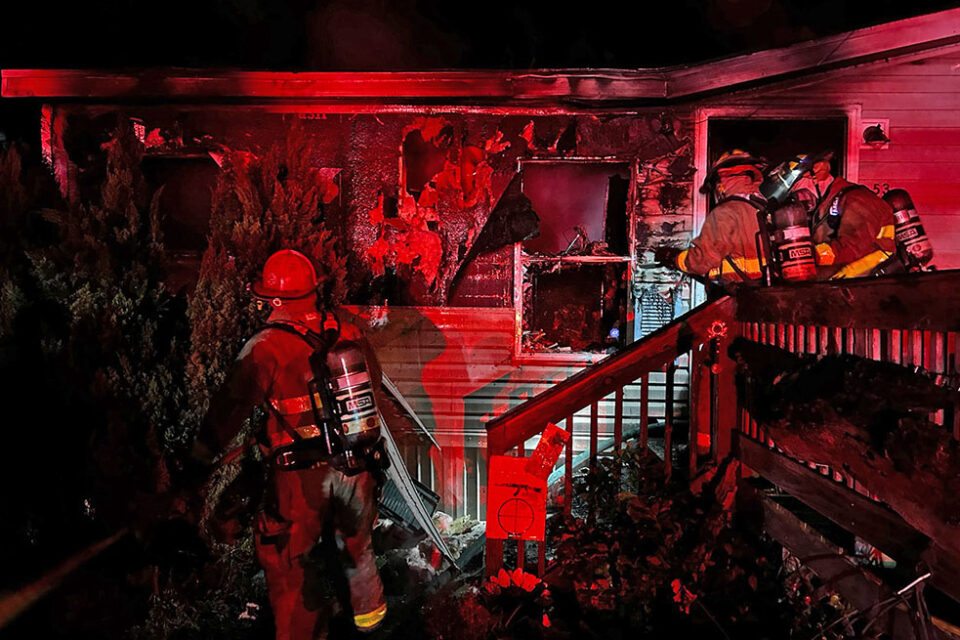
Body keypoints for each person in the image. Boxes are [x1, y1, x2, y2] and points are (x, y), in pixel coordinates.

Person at [193, 249, 387, 639]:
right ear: (314, 289)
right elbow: (375, 387)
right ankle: (373, 627)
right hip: (355, 468)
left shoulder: (266, 346)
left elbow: (226, 413)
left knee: (289, 565)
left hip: (300, 481)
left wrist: (196, 462)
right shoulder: (348, 332)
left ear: (276, 299)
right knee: (357, 551)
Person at [656, 149, 766, 282]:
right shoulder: (761, 207)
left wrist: (675, 259)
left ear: (722, 182)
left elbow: (704, 259)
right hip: (766, 287)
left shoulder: (725, 212)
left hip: (742, 289)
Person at [792, 154, 896, 279]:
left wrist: (809, 256)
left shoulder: (857, 198)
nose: (801, 202)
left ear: (815, 178)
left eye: (801, 195)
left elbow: (854, 245)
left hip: (871, 284)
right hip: (847, 284)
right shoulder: (826, 205)